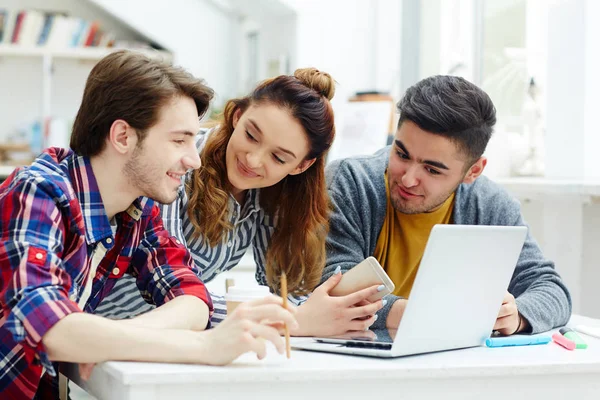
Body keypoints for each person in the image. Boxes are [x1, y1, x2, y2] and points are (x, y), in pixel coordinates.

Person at [0, 50, 297, 399]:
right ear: (123, 137)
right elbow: (49, 331)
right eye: (179, 140)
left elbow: (193, 299)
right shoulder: (36, 193)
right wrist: (203, 348)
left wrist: (103, 342)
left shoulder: (136, 211)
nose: (194, 159)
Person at [96, 68, 384, 336]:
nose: (253, 160)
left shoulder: (271, 193)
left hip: (150, 337)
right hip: (100, 326)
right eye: (250, 135)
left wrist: (318, 311)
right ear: (236, 116)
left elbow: (290, 289)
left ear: (300, 166)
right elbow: (177, 290)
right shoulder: (180, 164)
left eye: (279, 158)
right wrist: (289, 320)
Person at [323, 75, 571, 335]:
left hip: (450, 362)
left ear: (473, 171)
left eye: (432, 169)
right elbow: (334, 285)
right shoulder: (351, 182)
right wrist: (426, 315)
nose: (408, 179)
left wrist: (516, 315)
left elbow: (550, 289)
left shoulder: (491, 205)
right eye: (401, 154)